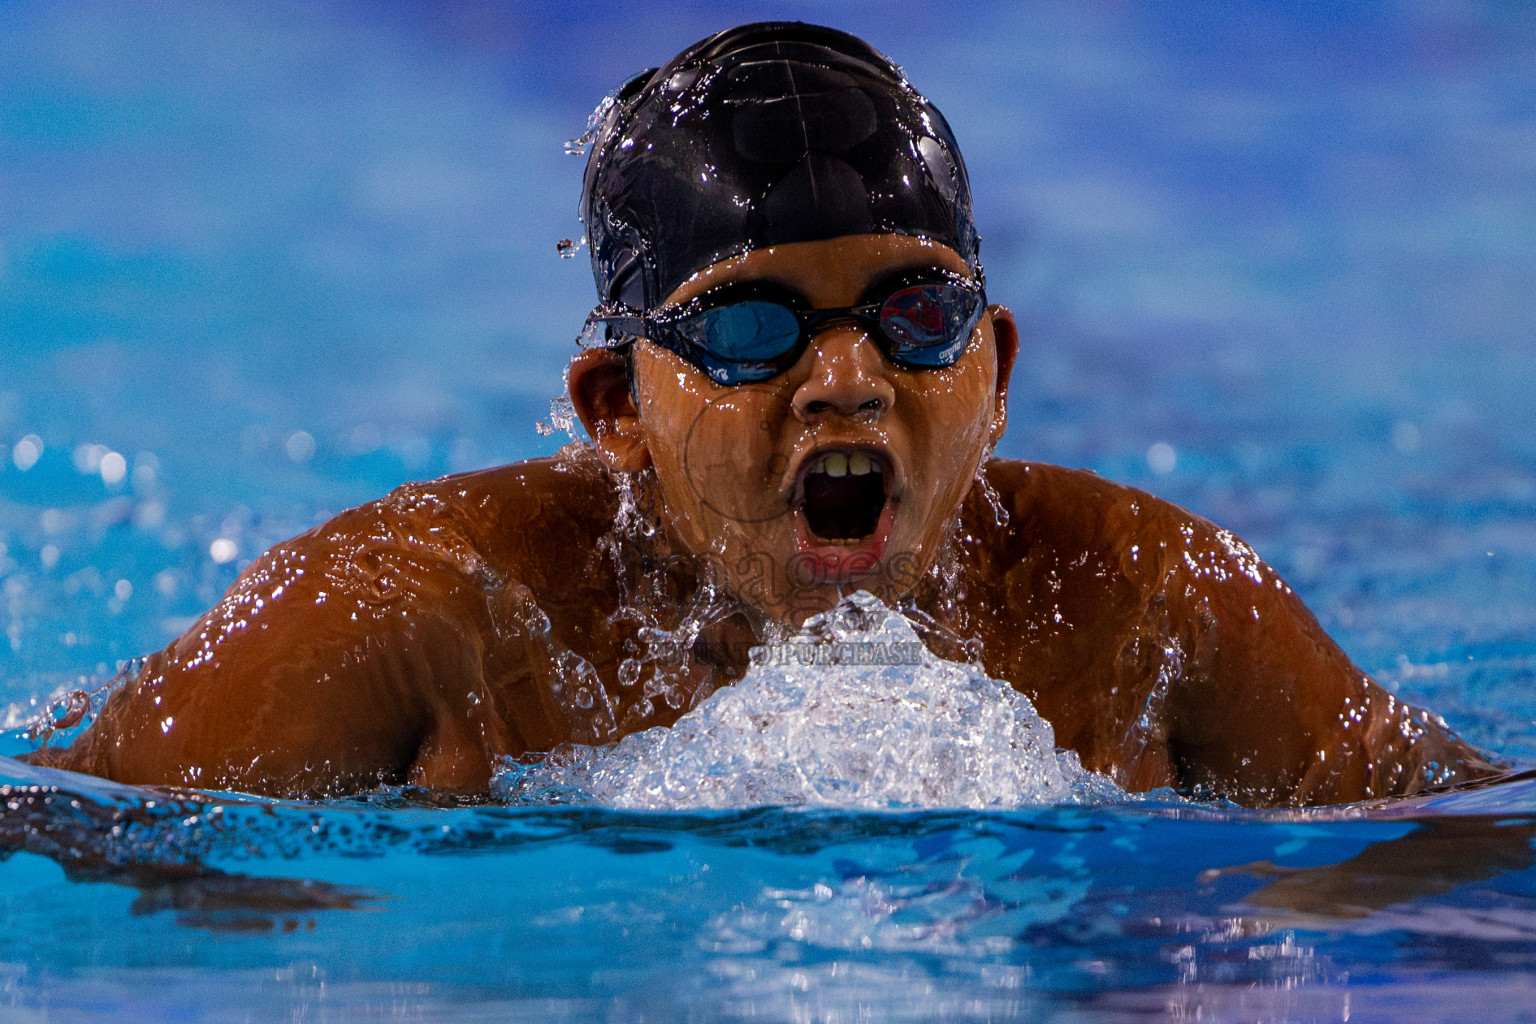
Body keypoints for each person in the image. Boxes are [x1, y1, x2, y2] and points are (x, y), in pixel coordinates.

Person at [23, 22, 1503, 805]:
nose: (848, 379)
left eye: (916, 316)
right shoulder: (414, 619)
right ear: (616, 404)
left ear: (992, 368)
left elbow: (1460, 855)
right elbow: (74, 851)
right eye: (751, 328)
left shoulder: (1151, 614)